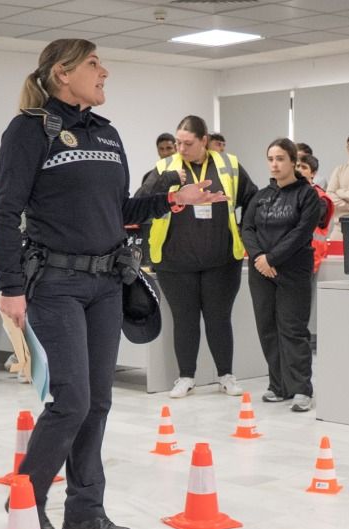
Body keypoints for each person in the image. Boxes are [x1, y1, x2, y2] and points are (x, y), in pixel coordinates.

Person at [0, 39, 223, 529]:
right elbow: (5, 212)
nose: (105, 73)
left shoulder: (108, 133)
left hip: (106, 283)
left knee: (97, 402)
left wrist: (171, 199)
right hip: (54, 283)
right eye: (94, 64)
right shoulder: (31, 130)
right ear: (61, 73)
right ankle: (26, 498)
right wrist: (10, 287)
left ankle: (85, 512)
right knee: (71, 400)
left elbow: (121, 208)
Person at [136, 114, 256, 400]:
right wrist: (165, 181)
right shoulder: (167, 166)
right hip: (175, 262)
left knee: (219, 319)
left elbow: (252, 199)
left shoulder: (228, 165)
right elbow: (140, 200)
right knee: (184, 320)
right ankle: (186, 376)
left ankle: (226, 376)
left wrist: (243, 230)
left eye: (188, 143)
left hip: (222, 260)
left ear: (205, 141)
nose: (181, 148)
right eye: (178, 142)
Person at [242, 139, 325, 414]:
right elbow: (248, 229)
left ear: (292, 161)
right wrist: (258, 259)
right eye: (270, 159)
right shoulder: (262, 195)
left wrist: (272, 258)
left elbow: (301, 233)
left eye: (280, 158)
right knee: (267, 328)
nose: (275, 164)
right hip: (261, 271)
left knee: (292, 329)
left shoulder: (307, 195)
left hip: (293, 270)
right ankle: (278, 386)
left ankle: (301, 389)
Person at [296, 154, 335, 271]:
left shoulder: (320, 198)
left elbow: (305, 222)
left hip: (310, 256)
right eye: (297, 166)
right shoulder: (289, 194)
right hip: (290, 255)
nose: (299, 170)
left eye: (304, 167)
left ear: (313, 173)